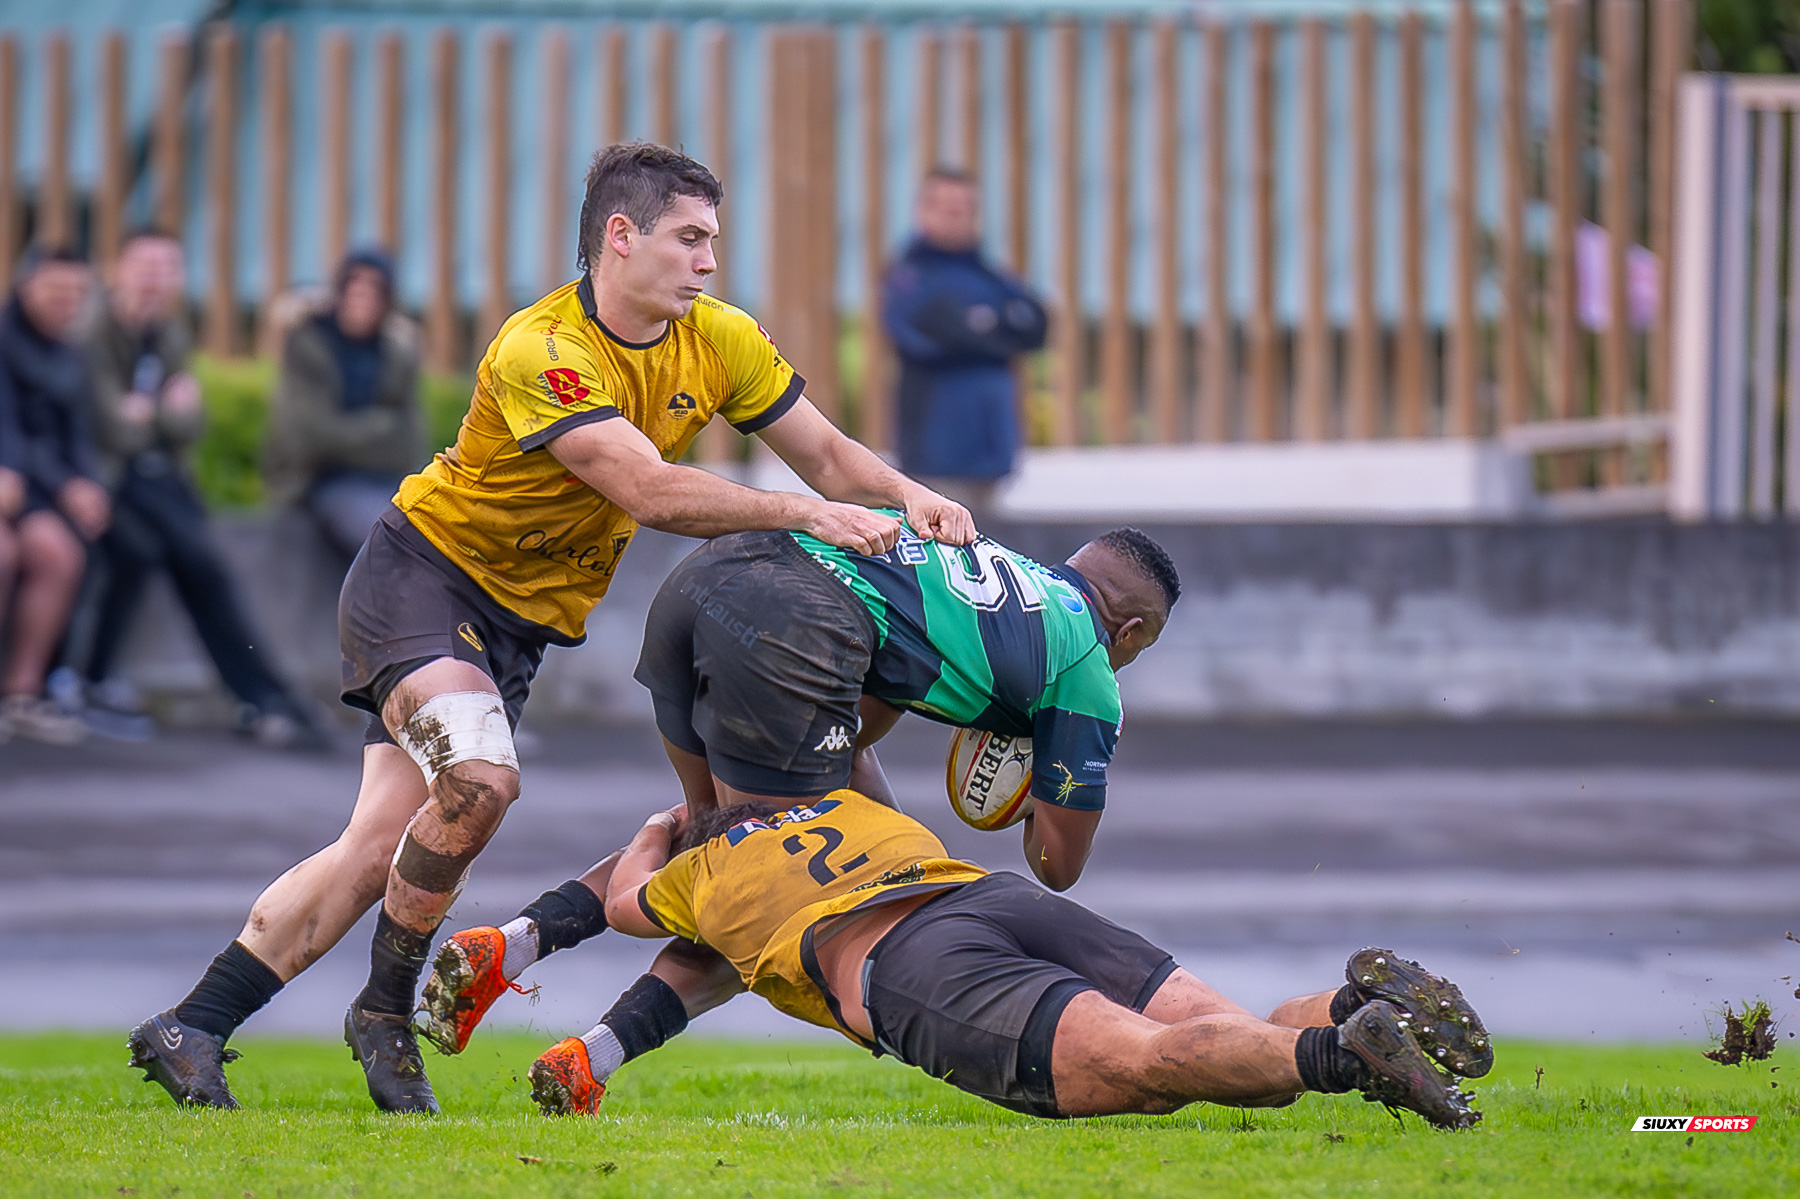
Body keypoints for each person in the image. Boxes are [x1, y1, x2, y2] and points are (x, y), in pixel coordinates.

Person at [126, 142, 973, 1115]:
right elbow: (645, 487)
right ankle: (383, 1009)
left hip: (517, 625)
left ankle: (195, 1020)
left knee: (375, 850)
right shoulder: (545, 347)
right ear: (621, 236)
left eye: (714, 241)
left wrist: (908, 494)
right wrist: (806, 515)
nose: (707, 260)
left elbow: (823, 452)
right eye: (688, 238)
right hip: (424, 577)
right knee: (481, 780)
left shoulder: (722, 338)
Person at [416, 519, 1180, 1059]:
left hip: (702, 582)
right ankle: (599, 1049)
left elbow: (853, 735)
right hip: (792, 620)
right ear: (1135, 628)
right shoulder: (1084, 667)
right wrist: (1038, 763)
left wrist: (885, 819)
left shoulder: (986, 572)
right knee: (781, 882)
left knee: (717, 831)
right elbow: (1056, 863)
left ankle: (508, 945)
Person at [524, 793, 1488, 1130]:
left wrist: (659, 831)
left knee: (1154, 1073)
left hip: (913, 962)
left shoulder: (706, 870)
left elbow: (618, 902)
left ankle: (1347, 1054)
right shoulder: (852, 807)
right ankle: (1349, 1005)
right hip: (994, 893)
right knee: (1214, 1033)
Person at [74, 227, 316, 747]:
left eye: (166, 269)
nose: (155, 281)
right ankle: (261, 697)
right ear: (119, 271)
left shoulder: (169, 334)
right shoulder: (92, 332)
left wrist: (150, 415)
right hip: (106, 478)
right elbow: (110, 427)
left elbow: (190, 423)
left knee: (200, 562)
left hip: (155, 476)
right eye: (145, 267)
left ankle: (266, 698)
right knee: (155, 553)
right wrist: (161, 412)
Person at [882, 168, 1047, 519]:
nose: (958, 217)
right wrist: (995, 332)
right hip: (934, 457)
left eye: (965, 209)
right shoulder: (910, 279)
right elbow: (931, 336)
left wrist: (976, 328)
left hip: (992, 456)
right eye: (947, 208)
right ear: (923, 212)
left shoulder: (991, 276)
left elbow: (1036, 326)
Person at [0, 246, 107, 745]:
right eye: (56, 290)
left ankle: (22, 695)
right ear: (26, 287)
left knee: (58, 555)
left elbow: (77, 435)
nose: (67, 302)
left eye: (76, 293)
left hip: (29, 489)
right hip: (13, 481)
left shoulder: (70, 352)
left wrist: (85, 485)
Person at [264, 247, 422, 562]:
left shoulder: (395, 355)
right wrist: (378, 426)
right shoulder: (308, 345)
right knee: (385, 538)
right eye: (354, 287)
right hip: (320, 481)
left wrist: (356, 433)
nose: (361, 298)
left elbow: (409, 442)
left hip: (388, 483)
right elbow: (311, 436)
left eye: (373, 290)